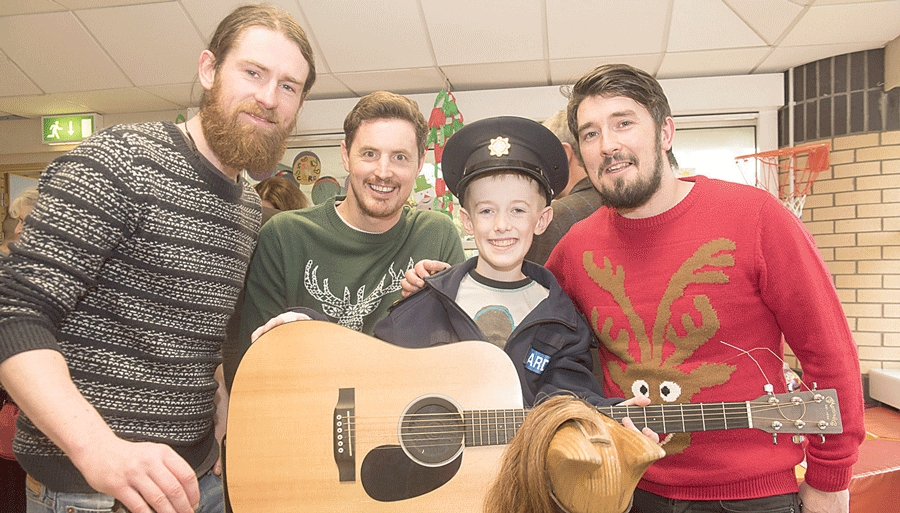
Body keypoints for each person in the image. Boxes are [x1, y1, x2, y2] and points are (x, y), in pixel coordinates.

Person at [0, 4, 316, 513]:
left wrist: (217, 395)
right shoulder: (118, 160)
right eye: (253, 72)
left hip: (197, 481)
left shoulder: (244, 208)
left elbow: (191, 329)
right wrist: (98, 450)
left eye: (288, 86)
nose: (267, 97)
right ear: (208, 70)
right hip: (92, 493)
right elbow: (15, 314)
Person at [544, 63, 864, 513]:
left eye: (623, 123)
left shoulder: (756, 218)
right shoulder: (575, 248)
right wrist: (442, 284)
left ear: (666, 131)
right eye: (590, 133)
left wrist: (830, 479)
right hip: (627, 491)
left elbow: (828, 353)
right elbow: (529, 332)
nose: (608, 145)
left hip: (753, 495)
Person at [373, 116, 619, 408]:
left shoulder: (561, 319)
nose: (501, 225)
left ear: (542, 220)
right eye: (487, 211)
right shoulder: (430, 303)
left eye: (517, 210)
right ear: (467, 220)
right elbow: (376, 375)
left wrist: (605, 413)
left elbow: (570, 396)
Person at [239, 91, 465, 349]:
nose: (383, 172)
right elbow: (253, 362)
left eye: (399, 157)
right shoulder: (284, 236)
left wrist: (445, 306)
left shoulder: (436, 235)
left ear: (419, 163)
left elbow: (459, 360)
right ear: (346, 156)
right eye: (369, 154)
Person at [525, 110, 605, 265]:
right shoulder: (623, 205)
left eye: (541, 159)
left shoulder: (552, 218)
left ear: (564, 153)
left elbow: (534, 286)